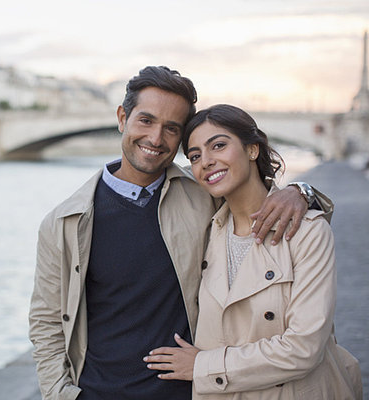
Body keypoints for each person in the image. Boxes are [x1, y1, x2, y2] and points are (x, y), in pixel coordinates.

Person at [28, 66, 332, 400]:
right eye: (146, 120)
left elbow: (252, 194)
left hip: (191, 390)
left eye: (171, 129)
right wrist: (60, 394)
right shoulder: (65, 222)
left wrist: (302, 192)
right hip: (98, 392)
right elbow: (46, 321)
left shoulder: (203, 196)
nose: (156, 139)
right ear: (122, 118)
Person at [145, 104, 362, 399]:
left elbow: (304, 348)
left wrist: (202, 365)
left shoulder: (307, 231)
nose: (206, 162)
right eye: (194, 156)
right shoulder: (204, 230)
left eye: (218, 145)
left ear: (252, 150)